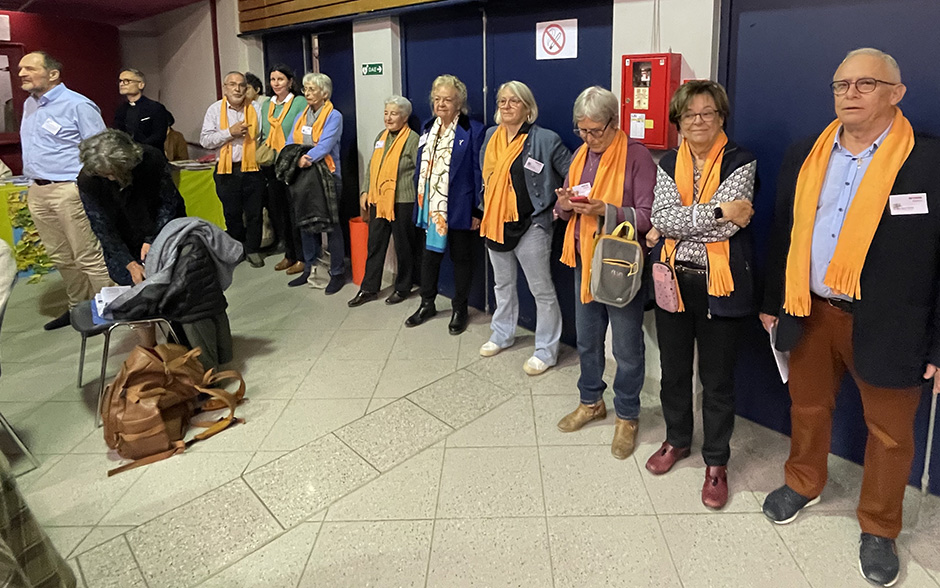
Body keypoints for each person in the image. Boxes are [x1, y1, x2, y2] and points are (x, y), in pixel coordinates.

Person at [760, 48, 940, 587]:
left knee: (889, 434)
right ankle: (803, 480)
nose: (850, 95)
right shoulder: (805, 154)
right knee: (808, 406)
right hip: (809, 311)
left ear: (896, 93)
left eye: (865, 84)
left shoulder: (929, 162)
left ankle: (881, 527)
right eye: (841, 85)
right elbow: (785, 232)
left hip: (892, 324)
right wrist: (774, 300)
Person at [645, 81, 757, 509]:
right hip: (672, 278)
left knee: (717, 381)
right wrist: (714, 209)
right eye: (689, 115)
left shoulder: (741, 161)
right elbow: (661, 217)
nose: (698, 121)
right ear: (678, 121)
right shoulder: (669, 160)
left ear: (721, 117)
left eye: (707, 113)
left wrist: (691, 219)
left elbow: (734, 224)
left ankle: (716, 461)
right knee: (674, 371)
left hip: (719, 284)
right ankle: (676, 440)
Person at [554, 86, 655, 460]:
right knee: (587, 338)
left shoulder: (637, 157)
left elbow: (647, 217)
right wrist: (564, 206)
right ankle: (591, 400)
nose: (588, 138)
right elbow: (564, 210)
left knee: (626, 348)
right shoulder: (580, 154)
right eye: (582, 130)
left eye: (595, 130)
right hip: (584, 259)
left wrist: (605, 210)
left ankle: (627, 415)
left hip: (619, 265)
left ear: (615, 122)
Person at [478, 80, 569, 375]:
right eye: (502, 101)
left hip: (532, 226)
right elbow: (486, 177)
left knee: (541, 290)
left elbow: (574, 172)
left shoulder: (547, 139)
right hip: (495, 224)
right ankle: (502, 334)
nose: (506, 106)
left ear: (528, 108)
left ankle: (546, 350)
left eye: (513, 101)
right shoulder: (491, 135)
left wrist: (558, 208)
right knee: (502, 285)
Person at [18, 50, 113, 330]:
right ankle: (77, 310)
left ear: (53, 74)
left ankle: (108, 310)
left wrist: (91, 190)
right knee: (61, 256)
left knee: (88, 255)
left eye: (29, 68)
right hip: (38, 190)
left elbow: (100, 151)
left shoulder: (78, 106)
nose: (21, 73)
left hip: (69, 190)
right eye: (21, 69)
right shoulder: (29, 105)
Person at [405, 74, 485, 335]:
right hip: (430, 206)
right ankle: (427, 302)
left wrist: (477, 210)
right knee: (429, 257)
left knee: (461, 258)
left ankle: (460, 309)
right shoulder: (428, 127)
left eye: (447, 100)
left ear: (459, 102)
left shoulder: (473, 130)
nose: (441, 104)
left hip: (460, 206)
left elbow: (478, 172)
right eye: (437, 99)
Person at [77, 129, 185, 286]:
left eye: (114, 172)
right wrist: (128, 262)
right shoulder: (89, 179)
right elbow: (102, 226)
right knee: (133, 281)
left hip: (161, 225)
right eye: (105, 174)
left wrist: (153, 239)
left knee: (175, 275)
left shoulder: (150, 159)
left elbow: (168, 202)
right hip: (123, 236)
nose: (111, 178)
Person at [348, 95, 420, 307]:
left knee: (403, 247)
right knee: (375, 245)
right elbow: (372, 167)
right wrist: (364, 191)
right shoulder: (381, 136)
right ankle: (369, 288)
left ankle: (403, 287)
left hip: (402, 201)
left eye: (394, 113)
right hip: (378, 200)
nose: (388, 118)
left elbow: (419, 171)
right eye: (386, 113)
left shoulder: (413, 139)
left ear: (405, 117)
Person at [286, 72, 346, 294]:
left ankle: (337, 272)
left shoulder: (334, 116)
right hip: (303, 176)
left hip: (327, 176)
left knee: (331, 225)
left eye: (312, 89)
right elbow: (290, 141)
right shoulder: (301, 115)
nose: (307, 93)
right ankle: (310, 268)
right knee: (305, 222)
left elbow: (325, 145)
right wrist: (296, 157)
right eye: (305, 89)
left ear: (325, 93)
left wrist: (304, 158)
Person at [199, 71, 265, 268]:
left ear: (246, 88)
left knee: (255, 213)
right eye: (232, 84)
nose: (237, 89)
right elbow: (205, 141)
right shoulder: (214, 110)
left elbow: (259, 135)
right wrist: (230, 133)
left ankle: (253, 249)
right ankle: (237, 249)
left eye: (241, 85)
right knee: (232, 213)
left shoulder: (255, 107)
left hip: (252, 168)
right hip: (226, 170)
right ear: (225, 88)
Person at [261, 64, 306, 276]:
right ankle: (289, 253)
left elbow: (302, 133)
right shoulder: (266, 106)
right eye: (272, 79)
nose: (276, 83)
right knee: (279, 212)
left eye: (280, 79)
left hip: (291, 165)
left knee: (294, 212)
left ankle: (302, 257)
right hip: (272, 165)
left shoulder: (299, 102)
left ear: (290, 81)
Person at [113, 68, 170, 151]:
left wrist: (137, 148)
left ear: (141, 85)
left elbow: (158, 136)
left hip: (151, 157)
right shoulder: (120, 110)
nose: (122, 84)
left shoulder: (155, 108)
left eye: (126, 81)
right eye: (120, 81)